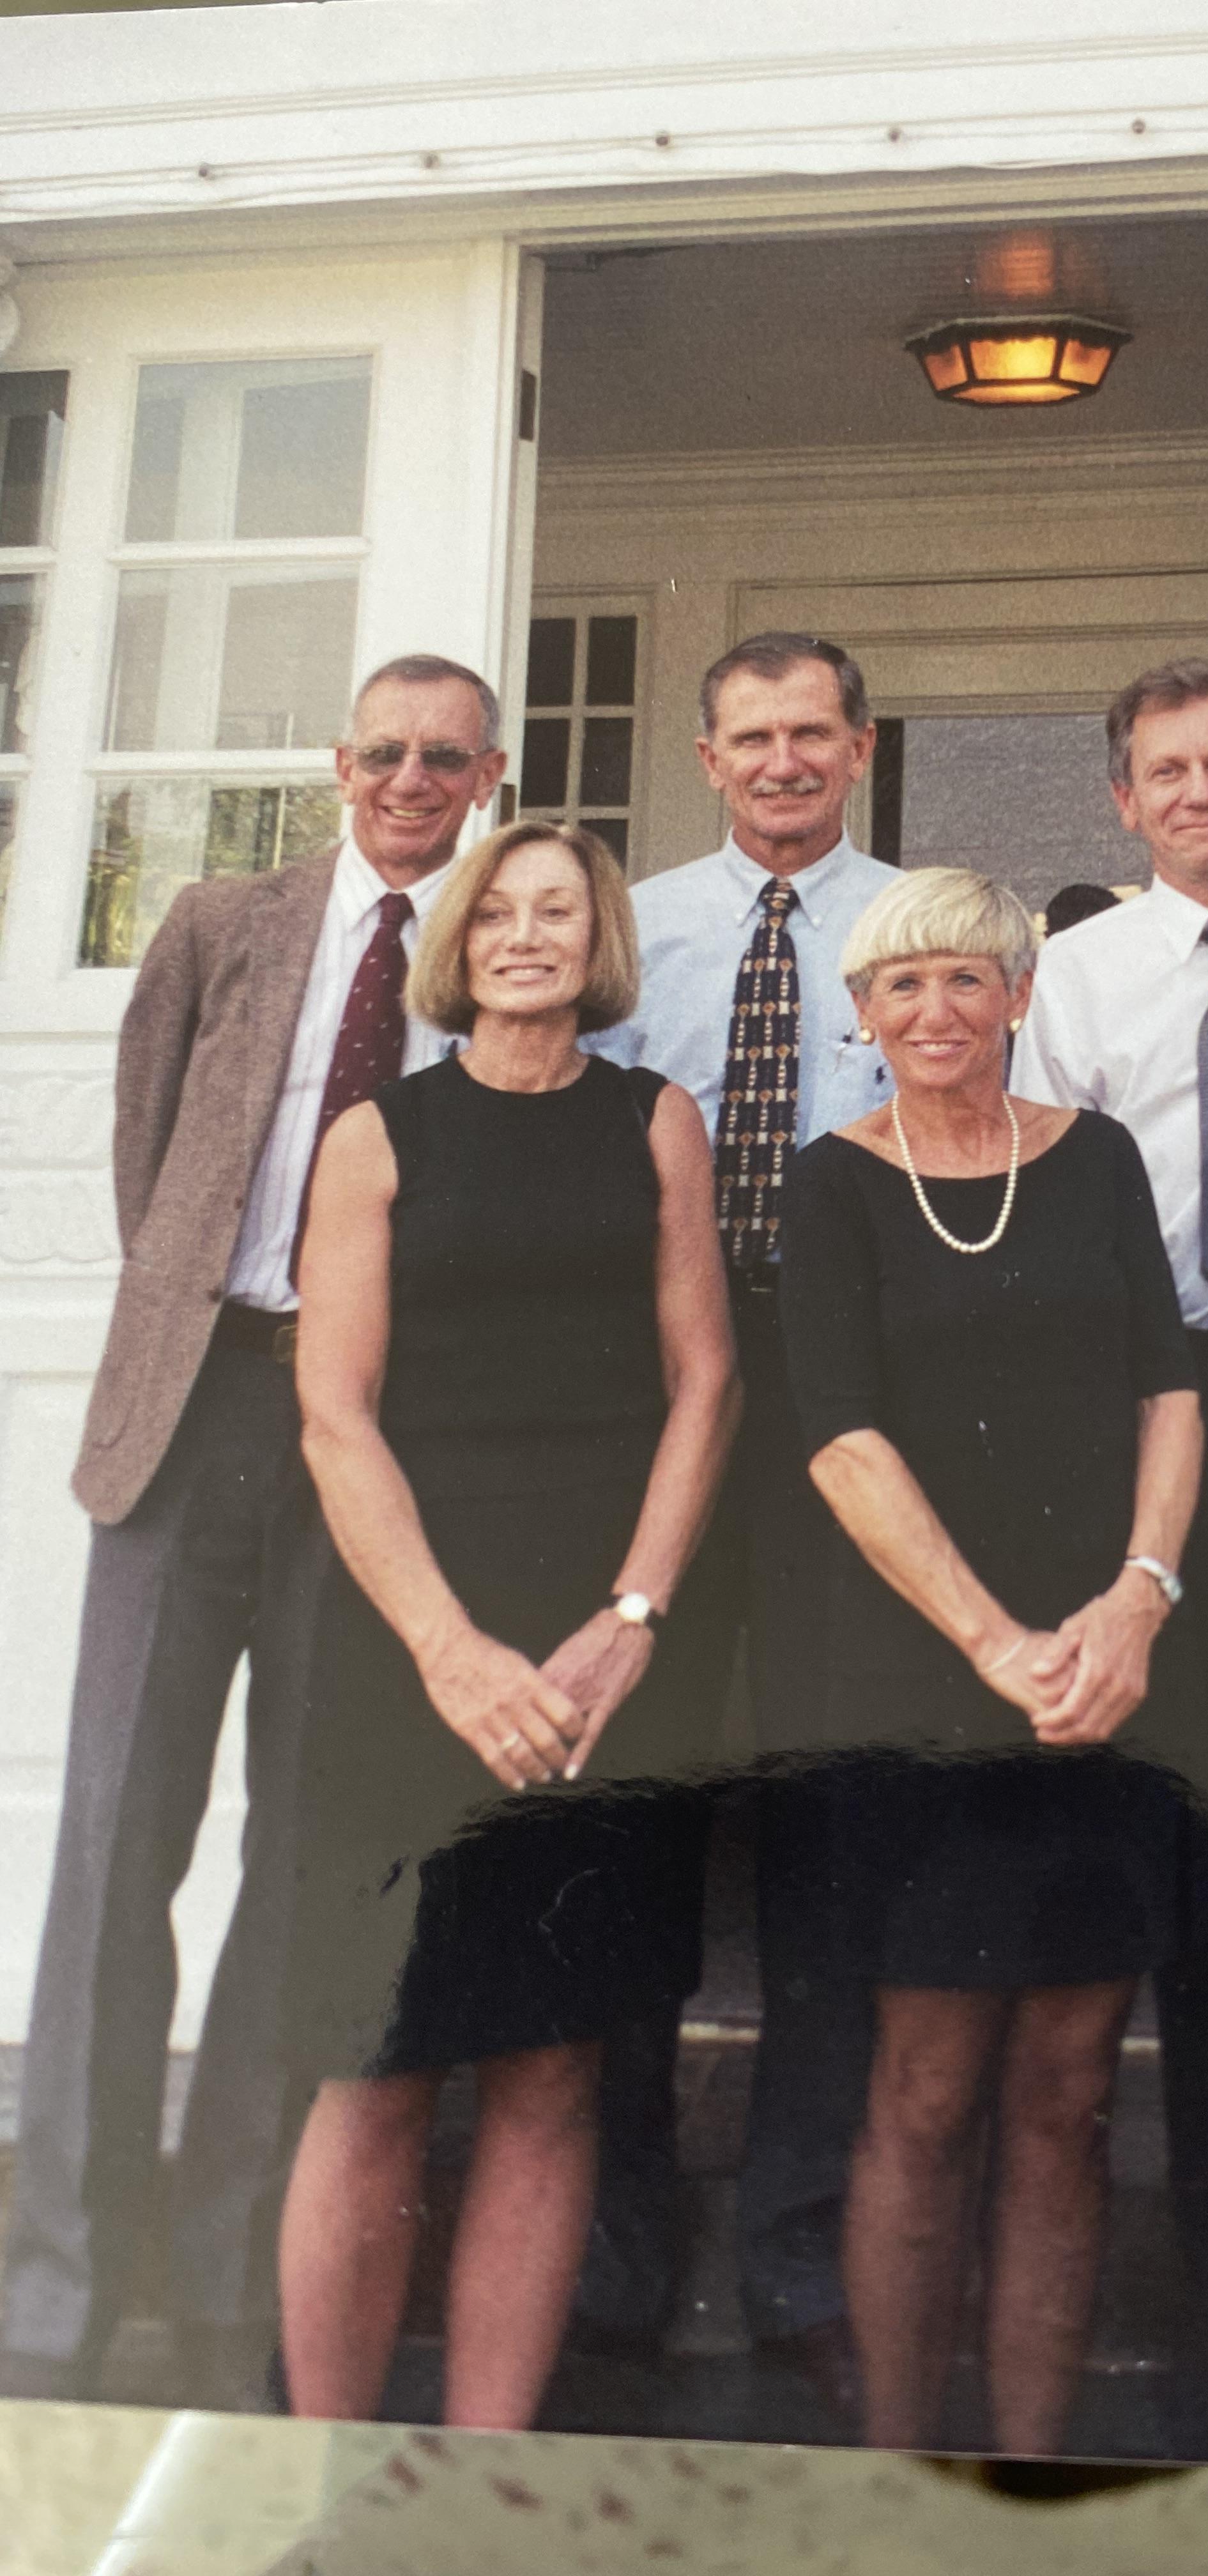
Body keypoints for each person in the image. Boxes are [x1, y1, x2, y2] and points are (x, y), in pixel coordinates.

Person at [0, 654, 507, 2409]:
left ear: (491, 775)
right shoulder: (225, 923)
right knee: (114, 1848)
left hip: (371, 1441)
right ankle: (59, 2287)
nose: (413, 781)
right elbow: (152, 1155)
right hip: (197, 1410)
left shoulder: (496, 946)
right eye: (387, 753)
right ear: (340, 765)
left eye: (447, 758)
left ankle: (232, 2281)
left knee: (300, 1856)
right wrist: (216, 1329)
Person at [277, 820, 737, 2428]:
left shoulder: (656, 1120)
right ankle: (324, 2479)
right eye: (500, 914)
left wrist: (633, 1616)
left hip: (598, 1655)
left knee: (553, 2074)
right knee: (376, 2069)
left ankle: (484, 2477)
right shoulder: (376, 1137)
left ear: (599, 942)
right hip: (409, 1643)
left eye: (560, 912)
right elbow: (334, 1415)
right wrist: (448, 1649)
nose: (528, 936)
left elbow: (706, 1383)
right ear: (459, 943)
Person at [779, 866, 1203, 2453]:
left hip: (1104, 1676)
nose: (937, 1010)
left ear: (1022, 996)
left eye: (968, 979)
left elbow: (1171, 1387)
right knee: (926, 2085)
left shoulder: (1097, 1162)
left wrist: (1137, 1599)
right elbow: (839, 1436)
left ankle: (1027, 2482)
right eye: (902, 985)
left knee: (1068, 2093)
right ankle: (900, 2483)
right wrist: (997, 1643)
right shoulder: (832, 1186)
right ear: (863, 1014)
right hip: (923, 1686)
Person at [1011, 658, 1208, 2455]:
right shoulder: (1077, 976)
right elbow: (1054, 1203)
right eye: (1165, 771)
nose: (1199, 792)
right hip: (1154, 1402)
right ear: (1123, 804)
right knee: (1187, 1839)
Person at [588, 631, 896, 2409]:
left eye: (812, 734)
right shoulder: (630, 936)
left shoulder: (911, 930)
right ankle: (617, 2246)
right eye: (753, 736)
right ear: (708, 758)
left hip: (850, 1392)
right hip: (657, 1393)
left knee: (826, 1816)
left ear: (858, 748)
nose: (784, 761)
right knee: (637, 1801)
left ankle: (800, 2249)